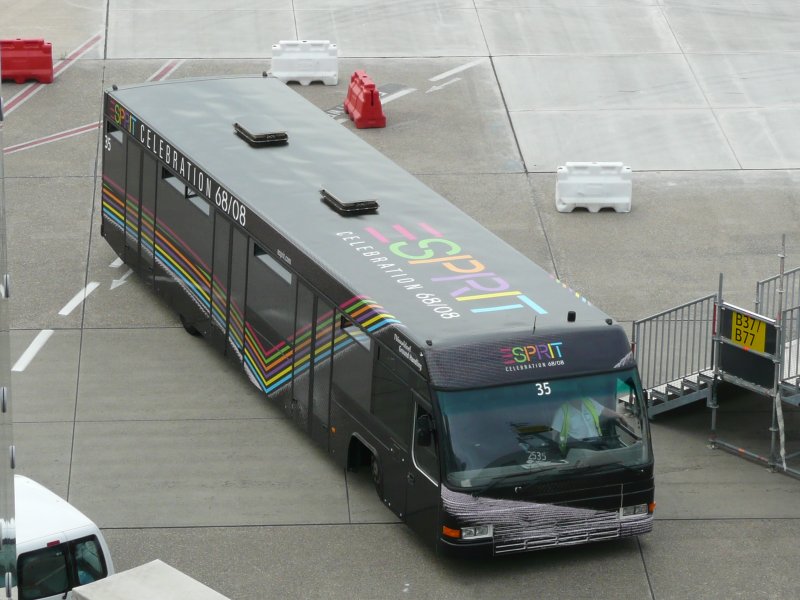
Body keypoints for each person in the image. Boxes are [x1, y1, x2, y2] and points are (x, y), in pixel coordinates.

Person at [551, 391, 618, 453]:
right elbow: (554, 432)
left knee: (612, 455)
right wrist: (553, 450)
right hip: (577, 446)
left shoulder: (589, 401)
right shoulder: (562, 411)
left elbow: (605, 411)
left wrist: (620, 416)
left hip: (596, 442)